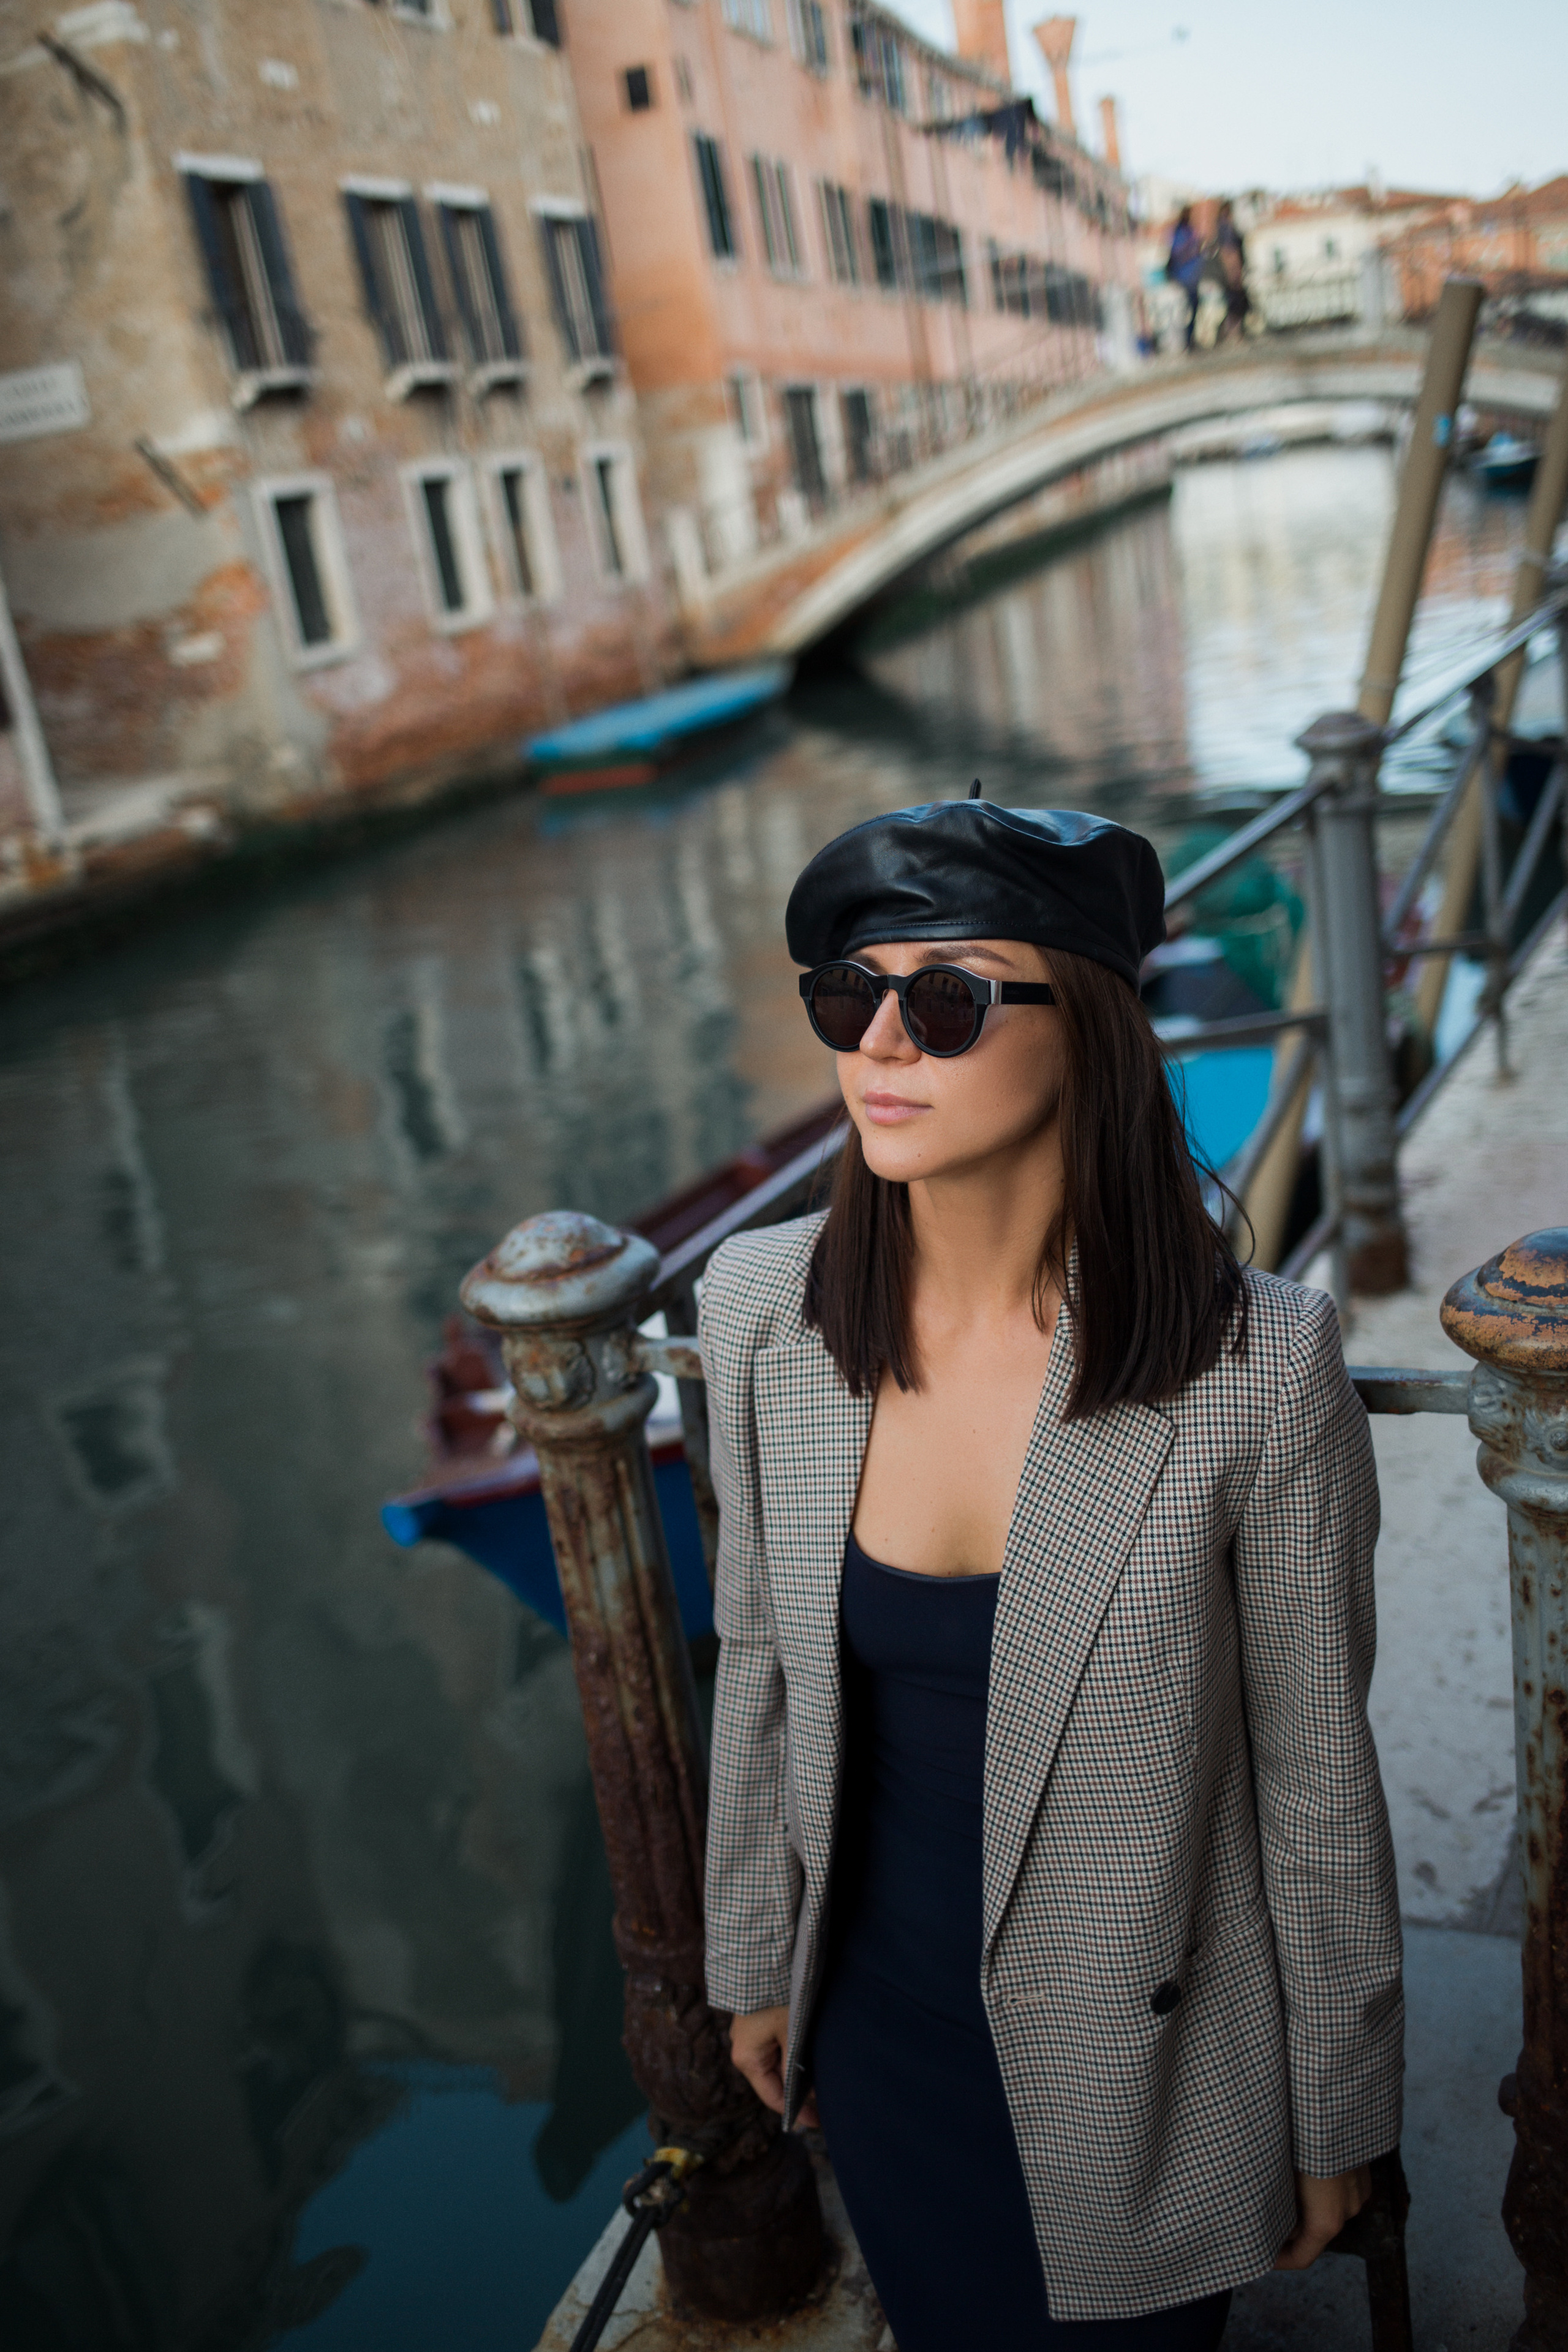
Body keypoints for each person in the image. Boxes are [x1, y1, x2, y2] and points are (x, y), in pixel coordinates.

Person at [699, 794, 1402, 2352]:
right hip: (879, 2032)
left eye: (942, 999)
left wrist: (1335, 2102)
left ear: (1081, 1024)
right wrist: (754, 1960)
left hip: (1146, 2063)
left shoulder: (1253, 1364)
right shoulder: (761, 1306)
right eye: (845, 993)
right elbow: (755, 1657)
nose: (878, 1042)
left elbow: (1310, 1776)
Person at [1165, 206, 1205, 350]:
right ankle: (1188, 340)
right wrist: (1192, 248)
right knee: (1189, 309)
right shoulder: (1180, 233)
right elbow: (1178, 253)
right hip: (1185, 277)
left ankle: (1191, 339)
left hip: (1193, 276)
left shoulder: (1190, 231)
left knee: (1194, 308)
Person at [1213, 201, 1250, 342]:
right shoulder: (1226, 228)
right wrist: (1234, 273)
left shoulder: (1222, 227)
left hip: (1230, 273)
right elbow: (1229, 252)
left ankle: (1232, 332)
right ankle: (1232, 333)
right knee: (1235, 303)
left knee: (1235, 303)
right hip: (1232, 273)